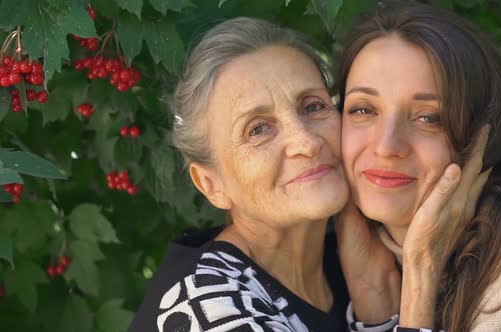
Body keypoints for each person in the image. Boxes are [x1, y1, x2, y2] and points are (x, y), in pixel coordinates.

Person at [336, 2, 501, 331]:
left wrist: (420, 279)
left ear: (483, 140)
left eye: (429, 118)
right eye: (363, 110)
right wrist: (374, 299)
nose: (386, 147)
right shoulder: (354, 255)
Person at [128, 17, 352, 331]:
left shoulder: (353, 259)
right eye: (258, 129)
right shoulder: (205, 307)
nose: (306, 142)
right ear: (212, 184)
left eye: (313, 107)